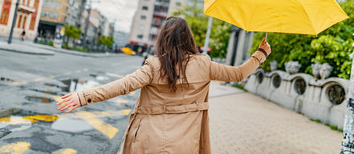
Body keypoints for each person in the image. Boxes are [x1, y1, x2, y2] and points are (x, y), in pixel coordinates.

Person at [57, 16, 271, 154]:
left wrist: (83, 96)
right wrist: (260, 54)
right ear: (188, 38)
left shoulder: (153, 65)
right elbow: (239, 74)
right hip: (184, 145)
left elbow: (124, 85)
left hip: (147, 142)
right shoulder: (204, 65)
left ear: (163, 39)